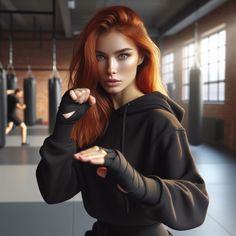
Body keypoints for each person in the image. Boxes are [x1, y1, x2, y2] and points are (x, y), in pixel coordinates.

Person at [36, 5, 209, 236]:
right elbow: (53, 192)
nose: (110, 69)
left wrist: (135, 180)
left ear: (141, 57)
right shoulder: (92, 118)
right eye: (100, 57)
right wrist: (63, 126)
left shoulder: (160, 121)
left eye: (123, 55)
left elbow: (195, 205)